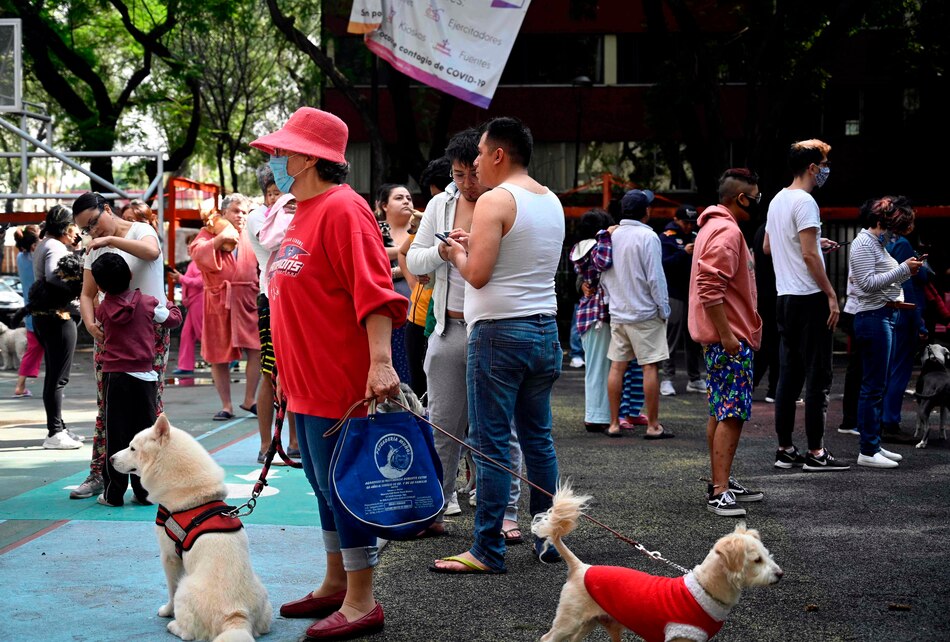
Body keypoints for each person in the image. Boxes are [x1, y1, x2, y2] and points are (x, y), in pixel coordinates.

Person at [251, 107, 406, 640]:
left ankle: (361, 600)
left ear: (307, 157)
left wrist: (381, 362)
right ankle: (337, 581)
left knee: (345, 487)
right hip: (305, 382)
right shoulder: (303, 211)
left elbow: (375, 292)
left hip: (340, 381)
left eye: (281, 151)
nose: (274, 160)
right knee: (323, 487)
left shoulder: (344, 208)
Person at [431, 116, 564, 573]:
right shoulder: (549, 199)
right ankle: (549, 538)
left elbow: (477, 274)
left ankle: (487, 548)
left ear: (499, 155)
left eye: (481, 154)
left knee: (489, 443)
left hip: (498, 335)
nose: (475, 164)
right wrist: (474, 242)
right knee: (538, 439)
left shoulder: (494, 199)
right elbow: (520, 254)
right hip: (545, 329)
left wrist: (455, 252)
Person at [407, 128, 525, 543]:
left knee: (499, 430)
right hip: (449, 327)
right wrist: (442, 252)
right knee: (442, 425)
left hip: (493, 328)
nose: (467, 183)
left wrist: (469, 246)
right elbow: (414, 258)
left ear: (487, 162)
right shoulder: (441, 204)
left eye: (472, 173)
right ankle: (434, 508)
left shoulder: (506, 201)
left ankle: (507, 513)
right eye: (458, 175)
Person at [72, 191, 169, 499]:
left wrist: (110, 240)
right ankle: (100, 475)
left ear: (106, 209)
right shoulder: (94, 248)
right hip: (111, 336)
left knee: (150, 408)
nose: (92, 231)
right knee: (108, 411)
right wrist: (91, 325)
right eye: (85, 229)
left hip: (149, 335)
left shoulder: (141, 230)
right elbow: (87, 294)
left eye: (93, 222)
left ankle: (151, 479)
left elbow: (151, 252)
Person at [764, 139, 849, 471]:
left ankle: (785, 449)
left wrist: (810, 242)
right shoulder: (806, 201)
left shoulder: (777, 199)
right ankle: (816, 452)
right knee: (818, 377)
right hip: (810, 298)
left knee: (789, 376)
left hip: (784, 297)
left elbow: (769, 246)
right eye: (824, 165)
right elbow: (810, 255)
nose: (826, 170)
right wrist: (831, 295)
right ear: (812, 168)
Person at [688, 168, 765, 517]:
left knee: (721, 410)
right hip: (729, 338)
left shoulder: (712, 226)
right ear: (741, 199)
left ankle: (721, 480)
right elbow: (709, 286)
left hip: (722, 336)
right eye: (756, 197)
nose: (758, 202)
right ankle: (720, 489)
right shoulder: (727, 230)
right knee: (731, 413)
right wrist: (728, 335)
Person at [90, 253, 182, 506]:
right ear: (130, 276)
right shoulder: (149, 303)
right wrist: (171, 304)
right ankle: (145, 492)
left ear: (100, 286)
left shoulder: (103, 309)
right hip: (145, 378)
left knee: (115, 435)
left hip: (115, 377)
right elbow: (173, 320)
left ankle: (113, 493)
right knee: (144, 436)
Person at [844, 195, 923, 468]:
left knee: (878, 385)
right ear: (883, 221)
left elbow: (879, 279)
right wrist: (903, 269)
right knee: (873, 387)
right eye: (894, 227)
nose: (895, 234)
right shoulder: (864, 243)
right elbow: (866, 284)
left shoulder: (876, 243)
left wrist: (906, 271)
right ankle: (868, 450)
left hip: (883, 315)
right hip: (874, 317)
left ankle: (873, 444)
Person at [593, 189, 672, 439]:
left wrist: (611, 301)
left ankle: (614, 423)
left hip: (618, 312)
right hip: (645, 313)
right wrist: (663, 309)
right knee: (650, 367)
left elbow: (603, 274)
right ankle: (653, 425)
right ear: (646, 211)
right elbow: (655, 278)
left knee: (617, 367)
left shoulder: (611, 235)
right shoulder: (648, 237)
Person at [189, 193, 261, 421]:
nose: (241, 216)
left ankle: (250, 399)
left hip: (248, 298)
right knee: (217, 354)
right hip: (218, 299)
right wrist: (219, 239)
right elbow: (197, 253)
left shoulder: (251, 233)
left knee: (257, 349)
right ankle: (227, 405)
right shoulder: (209, 231)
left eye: (245, 212)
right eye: (236, 211)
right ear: (224, 212)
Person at [246, 164, 299, 463]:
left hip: (297, 300)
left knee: (295, 372)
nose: (277, 198)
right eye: (272, 193)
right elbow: (275, 240)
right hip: (271, 298)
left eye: (283, 192)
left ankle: (295, 441)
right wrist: (287, 208)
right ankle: (266, 443)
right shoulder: (258, 216)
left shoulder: (298, 211)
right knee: (271, 374)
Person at [32, 206, 83, 449]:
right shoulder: (54, 246)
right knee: (58, 378)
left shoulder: (46, 244)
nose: (76, 231)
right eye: (74, 226)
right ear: (65, 226)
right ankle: (54, 433)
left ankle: (58, 427)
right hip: (58, 317)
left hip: (46, 317)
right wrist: (79, 285)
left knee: (54, 375)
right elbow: (54, 276)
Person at [882, 217, 929, 443]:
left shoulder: (884, 243)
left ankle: (882, 419)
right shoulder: (902, 245)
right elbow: (908, 284)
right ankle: (890, 421)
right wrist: (919, 322)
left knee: (889, 368)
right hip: (905, 313)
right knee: (900, 370)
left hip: (891, 309)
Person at [571, 207, 615, 432]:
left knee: (596, 367)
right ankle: (597, 416)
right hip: (598, 314)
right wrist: (606, 235)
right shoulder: (597, 247)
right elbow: (603, 263)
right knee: (600, 367)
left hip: (588, 314)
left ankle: (598, 414)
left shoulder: (579, 247)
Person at [659, 203, 704, 396]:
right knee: (671, 337)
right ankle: (667, 379)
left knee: (694, 338)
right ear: (676, 220)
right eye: (685, 222)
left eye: (692, 222)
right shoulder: (666, 237)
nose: (689, 226)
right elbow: (662, 264)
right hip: (674, 294)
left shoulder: (696, 235)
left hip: (692, 293)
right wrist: (683, 252)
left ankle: (694, 379)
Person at [376, 183, 414, 386]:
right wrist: (404, 256)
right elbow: (371, 255)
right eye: (399, 198)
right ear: (384, 206)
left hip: (417, 310)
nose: (406, 201)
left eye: (409, 198)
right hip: (385, 313)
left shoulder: (421, 229)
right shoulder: (376, 231)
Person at [13, 226, 43, 398]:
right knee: (54, 351)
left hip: (29, 312)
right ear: (33, 244)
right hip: (44, 312)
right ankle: (55, 386)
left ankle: (20, 385)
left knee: (33, 350)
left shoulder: (20, 258)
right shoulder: (36, 258)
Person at [167, 233, 204, 375]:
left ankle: (224, 358)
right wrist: (180, 278)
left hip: (198, 302)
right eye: (188, 243)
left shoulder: (200, 262)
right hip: (193, 303)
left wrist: (181, 278)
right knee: (187, 334)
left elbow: (200, 282)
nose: (189, 247)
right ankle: (185, 366)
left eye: (192, 243)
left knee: (202, 334)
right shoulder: (194, 263)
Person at [751, 218, 779, 402]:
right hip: (778, 291)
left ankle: (751, 383)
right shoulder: (777, 229)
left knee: (765, 342)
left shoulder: (760, 229)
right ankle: (774, 388)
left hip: (761, 291)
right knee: (778, 344)